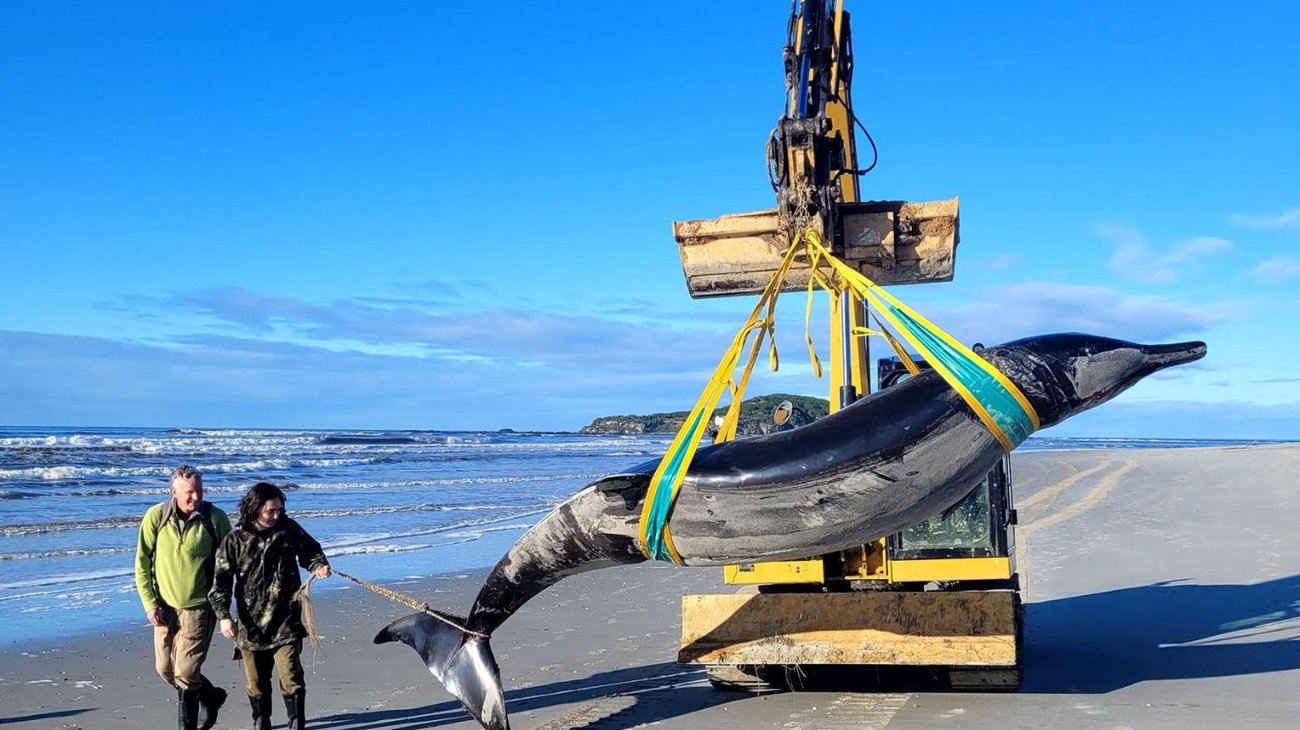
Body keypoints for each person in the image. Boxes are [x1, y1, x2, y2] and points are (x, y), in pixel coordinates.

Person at [210, 482, 332, 730]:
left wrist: (319, 566)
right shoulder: (234, 540)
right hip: (250, 624)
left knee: (291, 675)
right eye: (271, 510)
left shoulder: (288, 529)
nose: (277, 515)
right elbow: (220, 582)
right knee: (256, 681)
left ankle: (296, 722)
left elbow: (310, 551)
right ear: (255, 508)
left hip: (286, 619)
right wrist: (224, 616)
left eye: (279, 509)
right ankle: (261, 720)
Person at [134, 464, 233, 730]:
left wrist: (225, 609)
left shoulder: (216, 519)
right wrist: (149, 603)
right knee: (166, 669)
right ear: (173, 491)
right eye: (189, 492)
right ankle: (211, 696)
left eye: (199, 491)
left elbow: (229, 565)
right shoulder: (156, 517)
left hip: (200, 607)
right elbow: (142, 563)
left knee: (186, 673)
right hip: (164, 608)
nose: (195, 497)